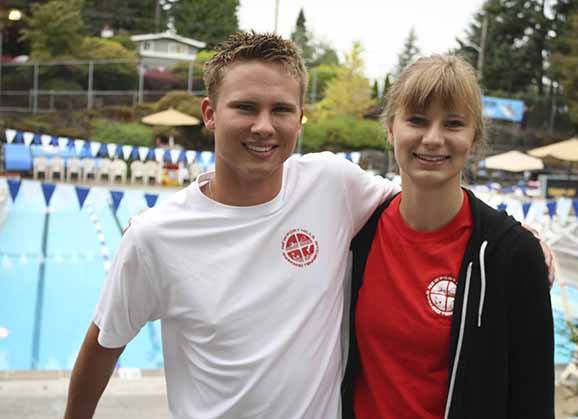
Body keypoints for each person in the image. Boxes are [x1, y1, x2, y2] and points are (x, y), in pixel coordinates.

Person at [63, 32, 397, 419]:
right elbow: (105, 342)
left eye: (282, 110)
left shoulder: (334, 184)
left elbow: (421, 211)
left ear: (300, 117)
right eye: (245, 107)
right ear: (210, 113)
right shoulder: (156, 236)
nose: (264, 126)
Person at [342, 55, 555, 419]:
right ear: (391, 129)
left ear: (474, 139)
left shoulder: (509, 255)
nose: (433, 138)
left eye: (453, 123)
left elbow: (532, 397)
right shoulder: (356, 231)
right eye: (417, 120)